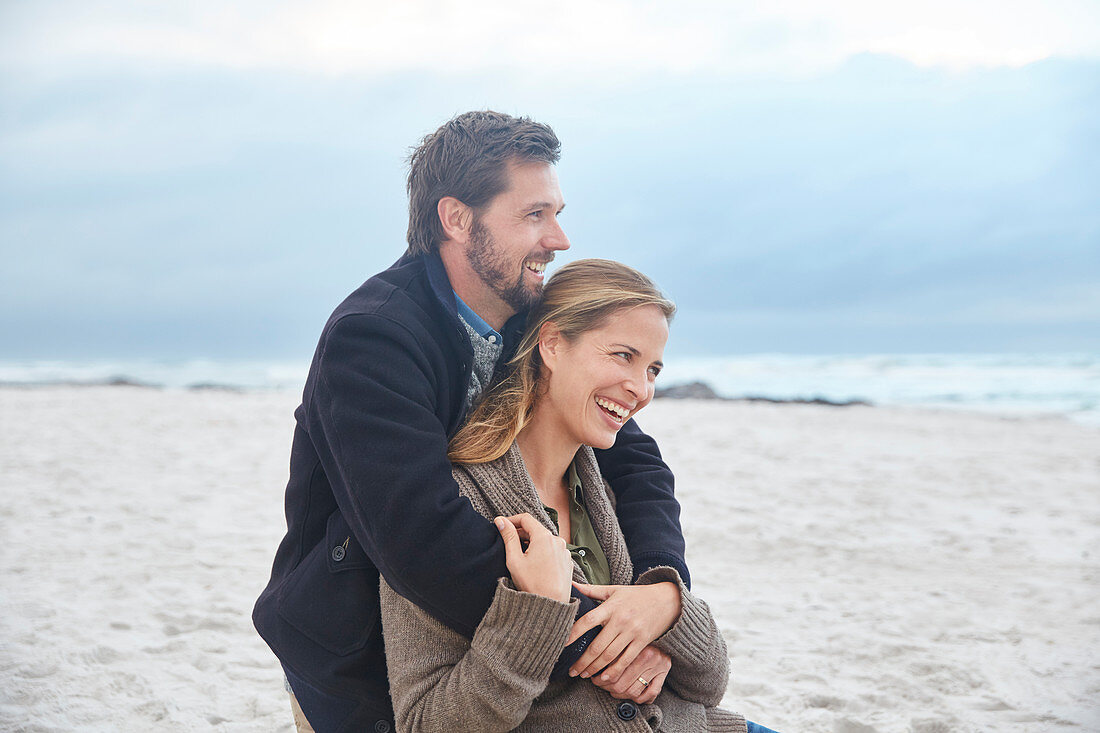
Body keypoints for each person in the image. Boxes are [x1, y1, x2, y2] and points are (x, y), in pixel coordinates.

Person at [253, 111, 693, 732]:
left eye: (558, 212)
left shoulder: (527, 316)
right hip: (355, 655)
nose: (560, 239)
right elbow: (421, 538)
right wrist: (601, 644)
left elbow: (636, 464)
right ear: (457, 219)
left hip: (499, 650)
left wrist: (659, 594)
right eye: (534, 214)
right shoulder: (375, 336)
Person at [380, 258, 748, 731]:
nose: (640, 389)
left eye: (653, 369)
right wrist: (536, 615)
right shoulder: (453, 504)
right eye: (622, 356)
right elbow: (428, 722)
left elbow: (709, 684)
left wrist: (668, 606)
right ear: (552, 343)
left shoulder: (619, 492)